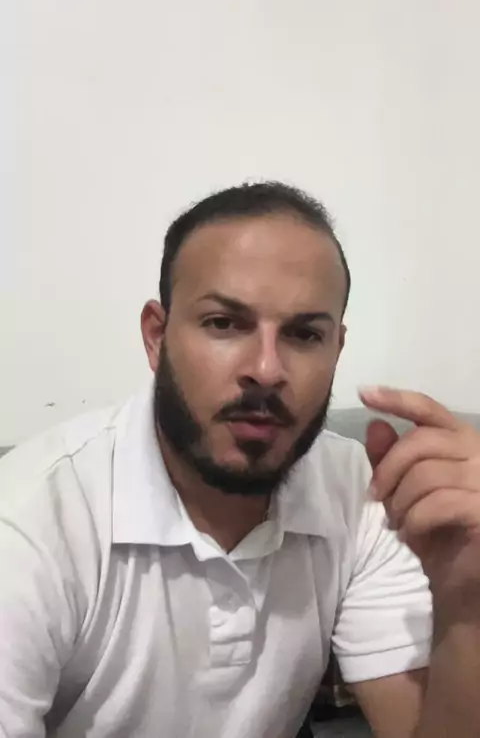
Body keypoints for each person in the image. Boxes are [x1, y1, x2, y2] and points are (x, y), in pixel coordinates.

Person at [1, 182, 480, 738]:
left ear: (336, 349)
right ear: (157, 337)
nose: (266, 369)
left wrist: (466, 604)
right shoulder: (30, 525)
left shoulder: (360, 490)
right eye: (224, 324)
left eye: (304, 334)